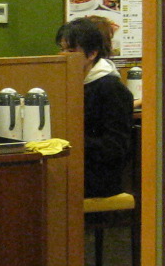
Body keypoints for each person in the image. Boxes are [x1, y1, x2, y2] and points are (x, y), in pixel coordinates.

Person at [56, 17, 132, 198]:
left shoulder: (110, 87)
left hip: (98, 178)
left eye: (71, 51)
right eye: (62, 49)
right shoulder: (69, 80)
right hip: (74, 166)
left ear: (92, 54)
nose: (64, 55)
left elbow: (116, 147)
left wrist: (71, 141)